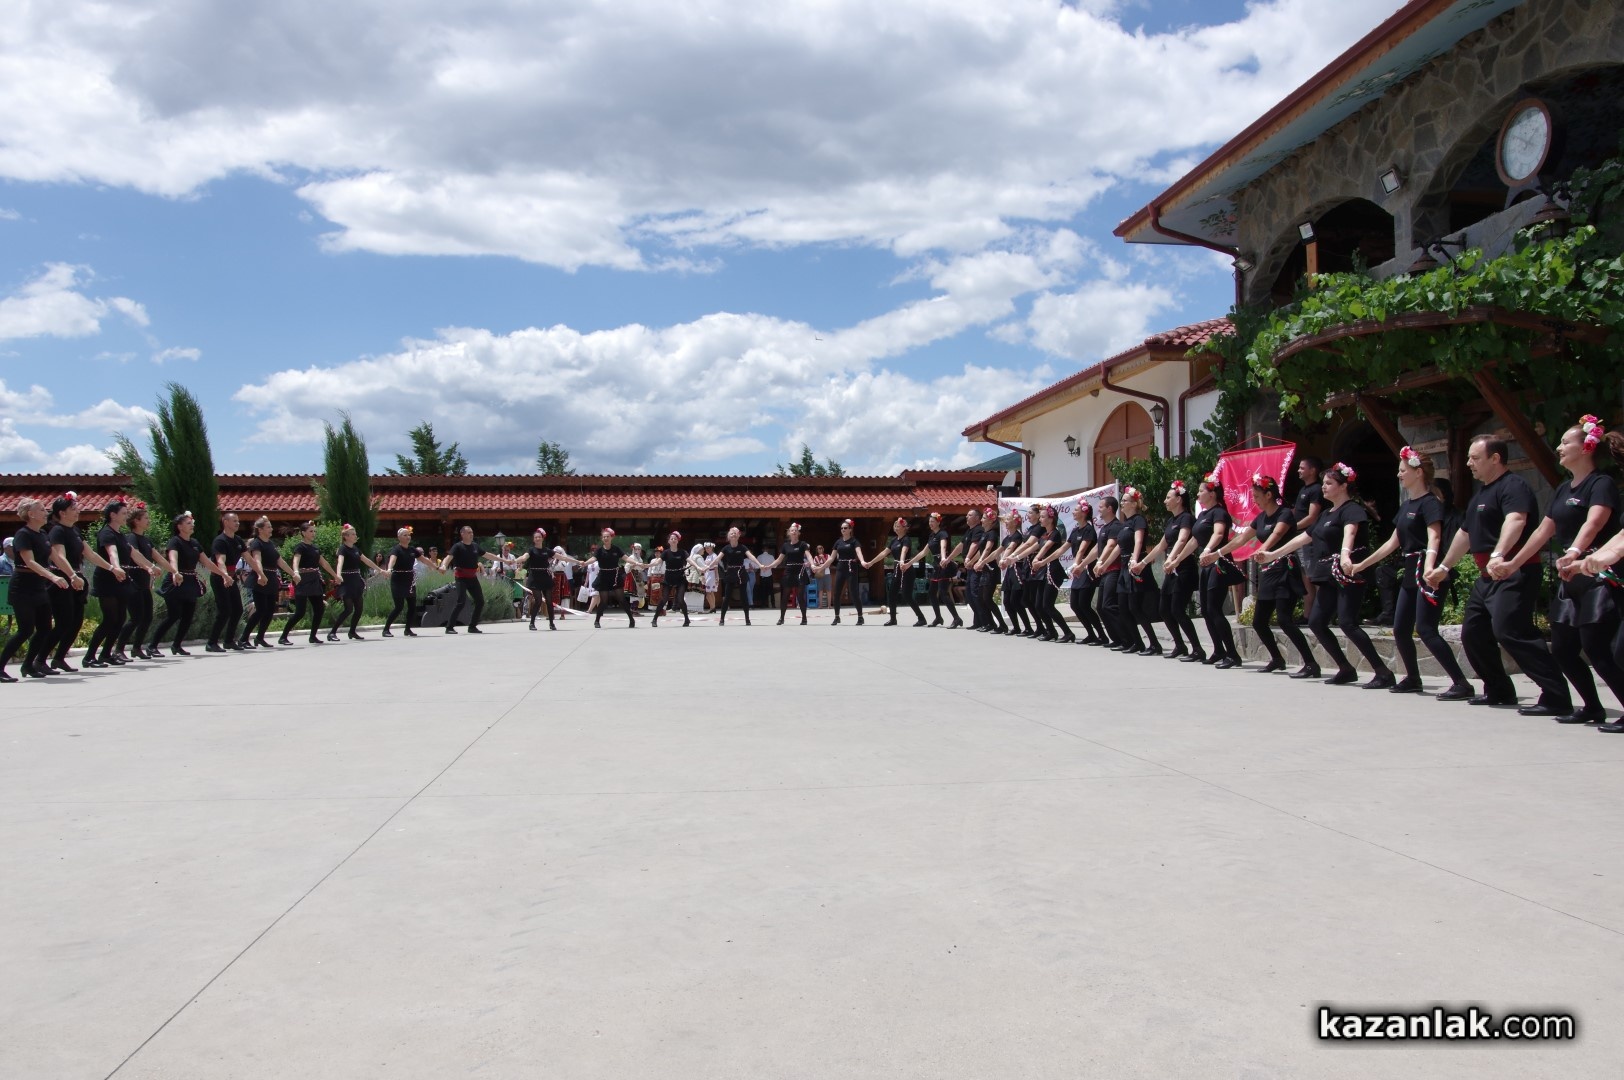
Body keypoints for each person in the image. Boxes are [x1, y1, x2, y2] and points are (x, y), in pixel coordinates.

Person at [1427, 436, 1571, 714]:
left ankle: (1556, 695)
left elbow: (1516, 520)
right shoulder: (1480, 495)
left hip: (1515, 571)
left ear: (1495, 458)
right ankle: (1499, 690)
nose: (1469, 463)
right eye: (1468, 458)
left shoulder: (1514, 487)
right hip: (1487, 577)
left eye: (1475, 458)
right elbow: (1465, 534)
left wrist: (1499, 554)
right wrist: (1444, 568)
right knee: (1473, 633)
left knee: (1511, 631)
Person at [1499, 416, 1624, 724]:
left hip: (1597, 576)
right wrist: (1513, 563)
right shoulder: (1563, 489)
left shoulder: (1601, 484)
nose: (1559, 447)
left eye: (1566, 442)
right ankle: (1592, 706)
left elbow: (1594, 523)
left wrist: (1573, 553)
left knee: (1598, 648)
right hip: (1570, 577)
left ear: (1586, 448)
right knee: (1564, 649)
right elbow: (1542, 532)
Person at [1348, 447, 1472, 697]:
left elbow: (1434, 537)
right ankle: (1413, 678)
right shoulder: (1406, 506)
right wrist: (1362, 565)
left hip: (1427, 571)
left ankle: (1461, 683)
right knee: (1401, 629)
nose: (1399, 475)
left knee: (1426, 629)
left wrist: (1430, 567)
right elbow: (1392, 543)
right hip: (1409, 572)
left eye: (1403, 470)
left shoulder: (1430, 503)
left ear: (1418, 472)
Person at [1265, 463, 1395, 689]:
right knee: (1316, 622)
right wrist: (1273, 554)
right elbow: (1303, 538)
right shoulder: (1326, 514)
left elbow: (1350, 533)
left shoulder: (1352, 509)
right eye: (1323, 483)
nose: (1323, 487)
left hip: (1348, 574)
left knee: (1347, 622)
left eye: (1328, 483)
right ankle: (1345, 668)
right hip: (1328, 576)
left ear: (1343, 486)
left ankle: (1383, 672)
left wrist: (1345, 555)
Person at [1213, 474, 1315, 677]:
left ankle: (1311, 663)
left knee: (1285, 620)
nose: (1254, 500)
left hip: (1285, 570)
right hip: (1268, 573)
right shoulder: (1260, 518)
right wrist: (1217, 553)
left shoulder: (1285, 514)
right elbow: (1241, 539)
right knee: (1259, 622)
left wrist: (1263, 550)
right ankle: (1277, 659)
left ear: (1269, 495)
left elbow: (1277, 534)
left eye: (1257, 496)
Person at [1, 499, 67, 680]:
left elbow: (57, 558)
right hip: (22, 588)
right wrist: (53, 577)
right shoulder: (23, 534)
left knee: (45, 628)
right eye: (42, 510)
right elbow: (30, 561)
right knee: (25, 630)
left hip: (38, 587)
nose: (46, 512)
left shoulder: (43, 534)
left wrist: (72, 575)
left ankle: (28, 665)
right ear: (31, 514)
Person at [150, 510, 230, 656]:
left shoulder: (194, 543)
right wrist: (175, 572)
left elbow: (207, 563)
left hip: (190, 582)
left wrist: (224, 574)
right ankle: (152, 646)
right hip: (176, 581)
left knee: (188, 616)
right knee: (174, 615)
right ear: (180, 526)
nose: (192, 525)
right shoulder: (175, 541)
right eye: (188, 523)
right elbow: (172, 558)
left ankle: (176, 645)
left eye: (191, 523)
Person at [1135, 482, 1199, 660]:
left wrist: (1172, 559)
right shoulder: (1171, 521)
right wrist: (1143, 563)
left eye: (1168, 497)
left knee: (1177, 609)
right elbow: (1161, 545)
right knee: (1163, 609)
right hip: (1172, 570)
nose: (1165, 501)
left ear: (1179, 499)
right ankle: (1180, 645)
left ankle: (1197, 648)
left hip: (1184, 568)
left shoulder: (1186, 518)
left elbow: (1182, 539)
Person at [1190, 473, 1242, 668]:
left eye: (1201, 491)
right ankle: (1219, 650)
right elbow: (1194, 540)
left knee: (1214, 609)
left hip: (1218, 564)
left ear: (1212, 494)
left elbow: (1219, 534)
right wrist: (1176, 559)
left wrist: (1208, 550)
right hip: (1205, 565)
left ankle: (1232, 654)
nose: (1198, 494)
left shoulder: (1219, 513)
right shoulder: (1202, 515)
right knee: (1205, 610)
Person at [82, 499, 132, 668]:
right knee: (110, 619)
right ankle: (89, 656)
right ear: (113, 515)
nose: (126, 516)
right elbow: (112, 552)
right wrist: (116, 568)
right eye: (123, 513)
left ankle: (106, 654)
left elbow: (132, 553)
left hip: (121, 579)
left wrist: (149, 566)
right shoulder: (106, 533)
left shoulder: (121, 534)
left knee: (120, 618)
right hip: (107, 579)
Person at [279, 520, 339, 645]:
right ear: (303, 533)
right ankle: (283, 637)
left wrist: (335, 576)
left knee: (319, 609)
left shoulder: (315, 548)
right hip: (303, 579)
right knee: (300, 612)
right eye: (311, 531)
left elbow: (324, 563)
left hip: (315, 579)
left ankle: (313, 636)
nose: (313, 533)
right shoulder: (300, 547)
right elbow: (296, 560)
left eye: (314, 531)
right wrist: (295, 572)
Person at [1114, 489, 1158, 654]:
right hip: (1124, 566)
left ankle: (1154, 644)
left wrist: (1135, 559)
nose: (1122, 503)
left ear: (1133, 504)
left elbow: (1138, 541)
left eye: (1125, 500)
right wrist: (1102, 563)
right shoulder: (1125, 523)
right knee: (1123, 607)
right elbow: (1119, 547)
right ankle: (1137, 642)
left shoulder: (1138, 520)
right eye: (1122, 500)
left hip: (1135, 565)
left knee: (1135, 607)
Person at [116, 503, 162, 660]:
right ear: (136, 521)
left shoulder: (146, 540)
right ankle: (118, 649)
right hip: (133, 582)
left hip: (144, 584)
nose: (149, 520)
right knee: (136, 617)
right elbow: (135, 555)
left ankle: (136, 648)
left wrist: (173, 571)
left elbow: (158, 557)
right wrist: (149, 567)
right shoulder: (131, 538)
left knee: (147, 617)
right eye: (146, 518)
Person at [240, 516, 295, 648]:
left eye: (271, 526)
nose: (271, 529)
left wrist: (293, 573)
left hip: (271, 579)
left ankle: (260, 638)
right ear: (260, 530)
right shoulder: (256, 543)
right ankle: (243, 639)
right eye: (268, 527)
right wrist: (261, 574)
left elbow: (280, 561)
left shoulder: (270, 543)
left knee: (270, 610)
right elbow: (257, 560)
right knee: (260, 610)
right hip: (260, 579)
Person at [326, 524, 384, 641]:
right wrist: (338, 574)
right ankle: (332, 633)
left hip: (356, 580)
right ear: (346, 537)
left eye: (355, 534)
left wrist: (380, 570)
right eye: (353, 534)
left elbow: (367, 560)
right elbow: (340, 562)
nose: (355, 536)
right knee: (348, 609)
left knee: (359, 608)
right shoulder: (343, 549)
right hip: (347, 580)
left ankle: (352, 632)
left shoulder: (356, 549)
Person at [1030, 505, 1076, 642]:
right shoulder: (1044, 535)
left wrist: (1039, 559)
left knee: (1047, 605)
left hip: (1053, 571)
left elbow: (1046, 548)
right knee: (1038, 605)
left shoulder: (1055, 533)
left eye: (1043, 517)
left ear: (1051, 519)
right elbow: (1034, 547)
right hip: (1043, 571)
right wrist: (1016, 557)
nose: (1040, 519)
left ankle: (1068, 633)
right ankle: (1051, 631)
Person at [1064, 502, 1104, 644]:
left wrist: (1077, 564)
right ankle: (1091, 634)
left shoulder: (1089, 530)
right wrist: (1045, 559)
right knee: (1075, 605)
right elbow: (1064, 547)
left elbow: (1082, 550)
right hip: (1078, 570)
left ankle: (1102, 635)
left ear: (1084, 512)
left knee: (1084, 604)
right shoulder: (1075, 530)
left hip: (1086, 570)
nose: (1073, 512)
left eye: (1076, 510)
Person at [440, 525, 493, 634]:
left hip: (472, 578)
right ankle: (449, 627)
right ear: (462, 534)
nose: (471, 534)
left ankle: (472, 626)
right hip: (461, 578)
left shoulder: (475, 546)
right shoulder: (458, 546)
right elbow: (448, 558)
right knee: (461, 602)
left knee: (480, 602)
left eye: (472, 532)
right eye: (469, 532)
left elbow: (488, 555)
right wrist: (444, 565)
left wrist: (504, 561)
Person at [207, 512, 247, 653]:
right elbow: (220, 561)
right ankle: (211, 643)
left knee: (238, 609)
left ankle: (229, 641)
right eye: (234, 520)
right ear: (225, 522)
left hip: (231, 578)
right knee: (224, 611)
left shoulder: (238, 540)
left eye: (238, 521)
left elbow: (249, 558)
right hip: (219, 578)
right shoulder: (220, 541)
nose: (237, 523)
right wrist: (225, 576)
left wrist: (260, 573)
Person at [1294, 456, 1327, 624]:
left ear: (1312, 470)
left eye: (1302, 467)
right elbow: (1297, 511)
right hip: (1300, 539)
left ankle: (1321, 614)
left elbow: (1312, 517)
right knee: (1306, 577)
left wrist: (1292, 527)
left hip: (1309, 539)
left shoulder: (1316, 489)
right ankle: (1308, 615)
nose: (1299, 470)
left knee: (1313, 577)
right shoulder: (1303, 489)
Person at [878, 517, 927, 627]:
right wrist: (871, 562)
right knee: (891, 594)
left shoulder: (906, 539)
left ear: (904, 528)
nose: (896, 528)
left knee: (907, 595)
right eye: (895, 526)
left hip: (906, 568)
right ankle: (893, 619)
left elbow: (904, 551)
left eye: (898, 526)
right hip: (897, 569)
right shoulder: (894, 541)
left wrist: (901, 561)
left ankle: (921, 618)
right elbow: (884, 553)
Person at [760, 523, 812, 625]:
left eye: (795, 530)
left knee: (800, 596)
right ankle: (782, 618)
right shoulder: (785, 545)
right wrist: (769, 566)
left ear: (798, 533)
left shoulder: (802, 544)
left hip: (800, 571)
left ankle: (804, 618)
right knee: (785, 596)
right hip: (789, 571)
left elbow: (809, 555)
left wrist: (812, 564)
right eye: (792, 530)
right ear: (789, 533)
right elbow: (779, 560)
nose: (794, 532)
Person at [712, 526, 763, 626]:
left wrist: (759, 564)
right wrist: (707, 566)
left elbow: (751, 556)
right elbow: (717, 559)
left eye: (735, 533)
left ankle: (747, 619)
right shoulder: (726, 548)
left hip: (741, 572)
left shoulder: (742, 547)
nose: (733, 535)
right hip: (730, 572)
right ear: (729, 536)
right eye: (731, 533)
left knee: (744, 596)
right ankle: (722, 619)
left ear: (738, 536)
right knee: (727, 597)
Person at [382, 527, 428, 637]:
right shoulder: (396, 549)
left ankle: (407, 629)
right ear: (399, 537)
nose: (408, 537)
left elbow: (424, 560)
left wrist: (436, 568)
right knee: (399, 606)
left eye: (409, 535)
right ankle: (386, 629)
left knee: (412, 606)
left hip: (409, 580)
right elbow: (392, 560)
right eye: (405, 535)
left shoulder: (412, 550)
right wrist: (389, 569)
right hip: (398, 579)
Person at [1090, 497, 1124, 647]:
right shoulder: (1104, 528)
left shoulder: (1116, 526)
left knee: (1109, 605)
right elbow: (1097, 549)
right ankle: (1116, 639)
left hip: (1114, 570)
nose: (1098, 509)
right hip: (1105, 572)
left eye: (1101, 506)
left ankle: (1126, 638)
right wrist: (1082, 564)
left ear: (1109, 509)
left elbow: (1111, 546)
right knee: (1101, 607)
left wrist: (1100, 562)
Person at [512, 527, 560, 630]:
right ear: (533, 539)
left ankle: (551, 623)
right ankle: (532, 623)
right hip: (535, 578)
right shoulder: (531, 550)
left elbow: (562, 557)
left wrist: (577, 562)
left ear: (542, 538)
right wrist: (515, 560)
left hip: (545, 577)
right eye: (536, 537)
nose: (538, 539)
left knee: (549, 601)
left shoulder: (547, 550)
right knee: (538, 601)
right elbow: (524, 557)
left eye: (539, 537)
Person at [921, 512, 964, 628]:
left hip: (944, 565)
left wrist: (944, 557)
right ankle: (938, 617)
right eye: (929, 522)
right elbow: (924, 552)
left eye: (932, 521)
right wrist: (909, 563)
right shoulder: (931, 536)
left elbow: (943, 546)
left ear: (938, 522)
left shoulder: (942, 533)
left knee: (943, 593)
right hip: (936, 566)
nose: (930, 523)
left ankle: (957, 618)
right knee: (931, 593)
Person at [827, 520, 872, 626]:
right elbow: (831, 558)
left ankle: (860, 617)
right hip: (840, 568)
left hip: (851, 568)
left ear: (850, 530)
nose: (843, 530)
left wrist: (862, 561)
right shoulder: (838, 542)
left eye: (845, 528)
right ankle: (837, 617)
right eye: (842, 528)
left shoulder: (854, 541)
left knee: (854, 593)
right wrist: (821, 567)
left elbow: (858, 552)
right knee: (836, 593)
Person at [649, 531, 695, 627]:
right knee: (664, 599)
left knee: (680, 599)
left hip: (680, 577)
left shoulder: (683, 552)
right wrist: (647, 565)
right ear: (669, 541)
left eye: (675, 539)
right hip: (669, 577)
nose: (673, 540)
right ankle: (654, 619)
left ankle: (687, 619)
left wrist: (698, 567)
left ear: (678, 541)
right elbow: (657, 562)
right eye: (671, 539)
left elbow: (690, 561)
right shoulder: (666, 552)